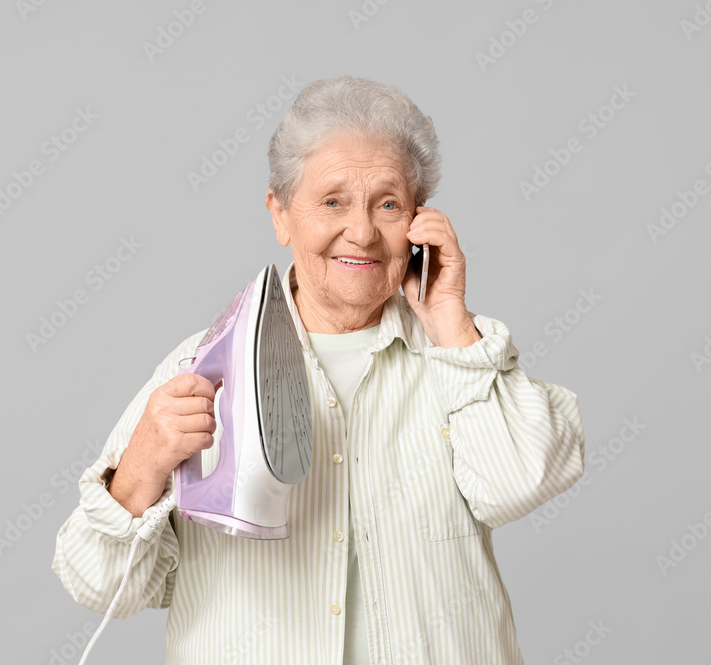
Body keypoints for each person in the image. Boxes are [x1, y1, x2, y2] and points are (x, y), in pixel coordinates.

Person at [53, 74, 585, 664]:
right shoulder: (200, 369)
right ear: (281, 215)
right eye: (332, 201)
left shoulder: (458, 360)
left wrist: (453, 324)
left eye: (387, 204)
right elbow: (99, 586)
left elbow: (520, 485)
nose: (361, 232)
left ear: (417, 223)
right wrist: (142, 465)